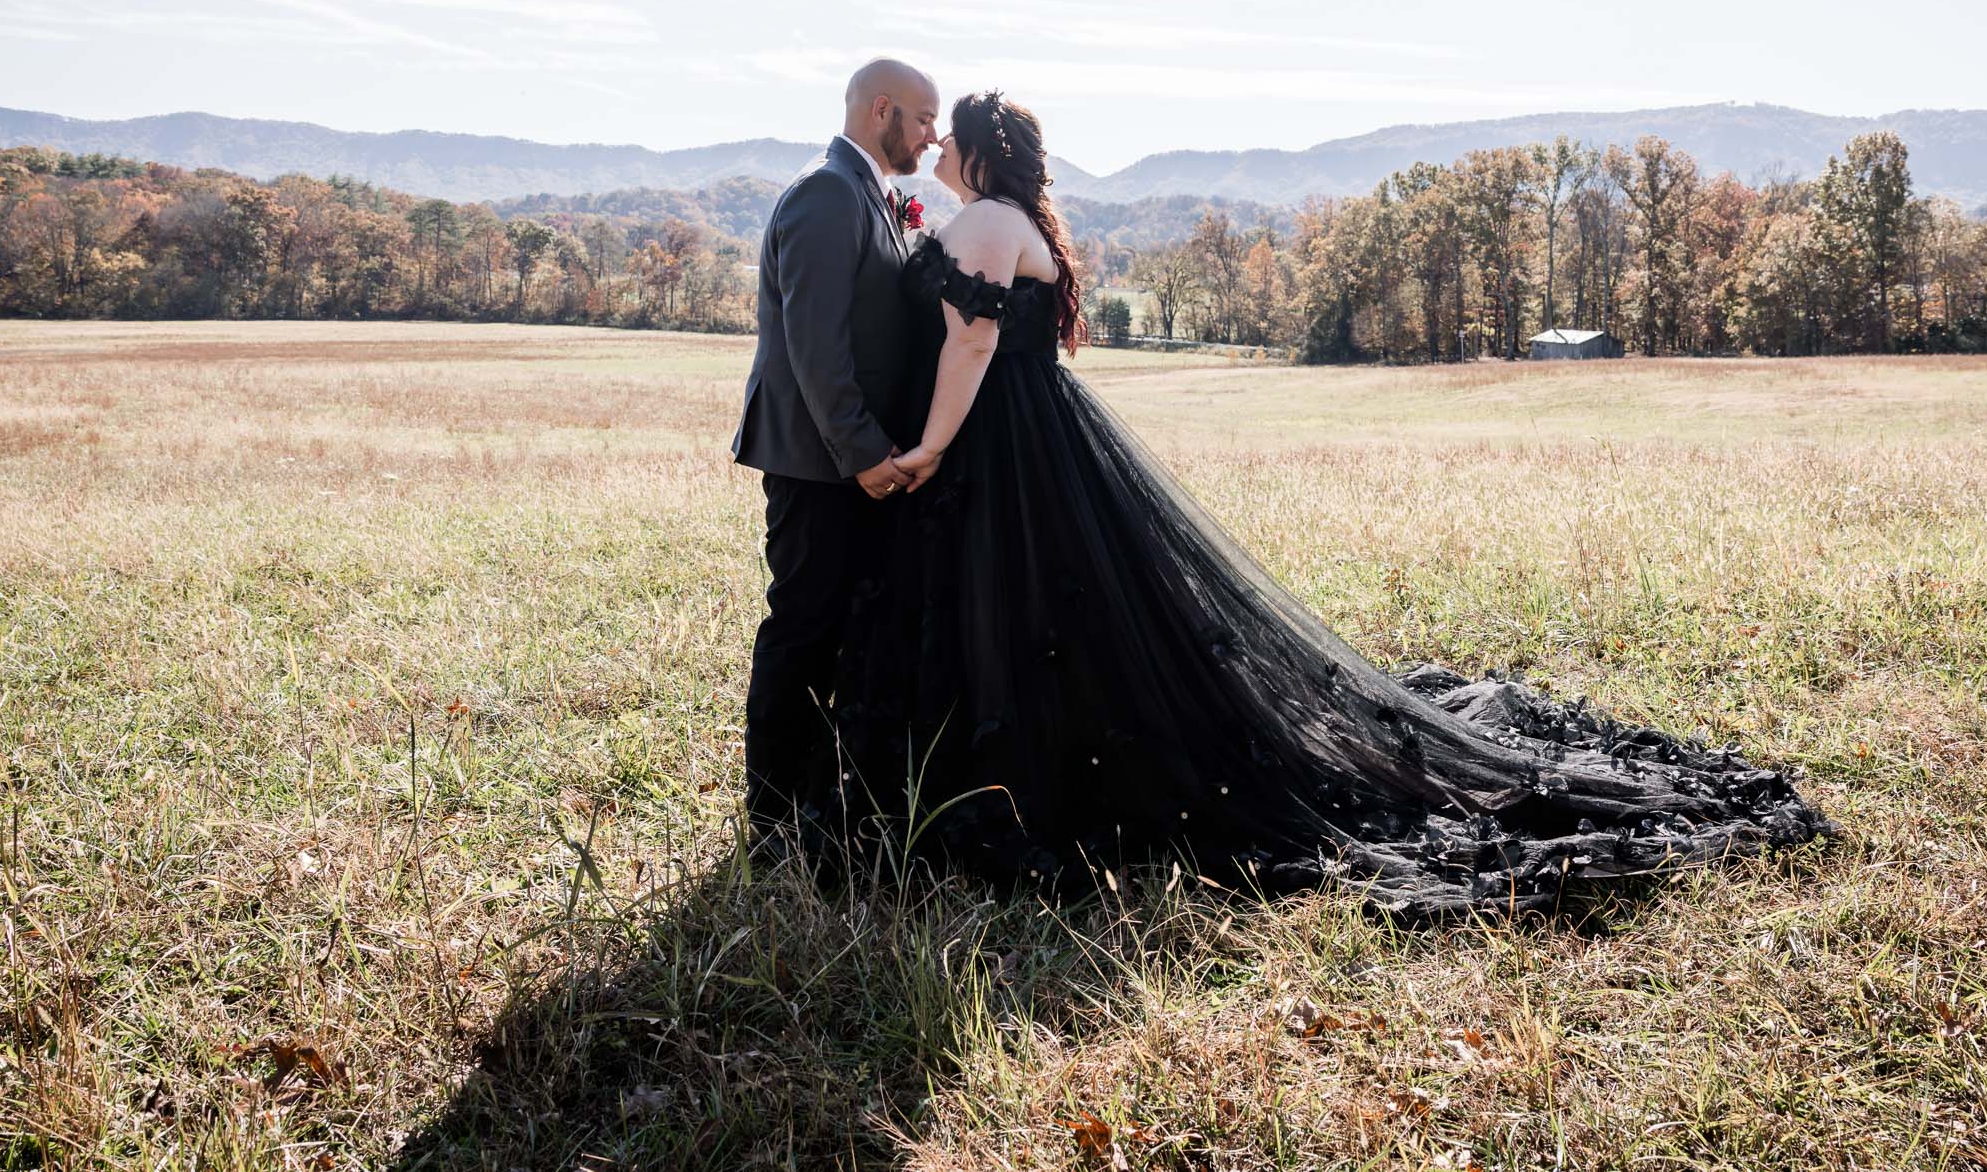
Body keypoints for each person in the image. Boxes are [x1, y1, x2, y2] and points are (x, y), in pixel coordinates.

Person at [816, 90, 1830, 919]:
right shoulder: (985, 217)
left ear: (984, 149)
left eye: (952, 127)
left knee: (1032, 607)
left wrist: (933, 444)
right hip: (1005, 441)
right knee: (1036, 614)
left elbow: (973, 342)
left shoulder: (989, 220)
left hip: (1003, 444)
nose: (936, 140)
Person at [731, 58, 940, 846]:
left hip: (850, 460)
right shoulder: (826, 192)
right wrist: (863, 453)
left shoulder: (872, 194)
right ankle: (774, 817)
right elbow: (814, 344)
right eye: (922, 117)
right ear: (879, 109)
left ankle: (821, 800)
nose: (930, 133)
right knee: (803, 626)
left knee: (838, 628)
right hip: (818, 461)